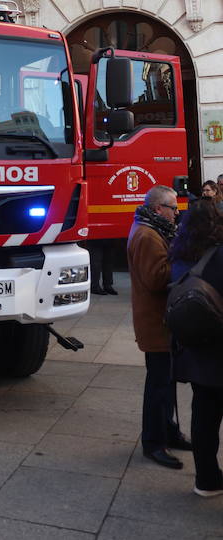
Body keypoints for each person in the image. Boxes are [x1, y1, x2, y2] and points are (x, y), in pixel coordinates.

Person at [127, 184, 191, 468]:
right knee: (158, 385)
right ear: (157, 209)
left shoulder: (153, 230)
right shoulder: (148, 235)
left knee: (167, 383)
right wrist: (183, 259)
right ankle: (154, 443)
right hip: (156, 323)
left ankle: (169, 431)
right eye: (173, 208)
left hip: (161, 322)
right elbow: (156, 279)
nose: (177, 214)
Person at [170, 199, 223, 497]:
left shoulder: (179, 254)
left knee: (203, 416)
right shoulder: (219, 256)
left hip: (193, 348)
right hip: (219, 347)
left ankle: (206, 480)